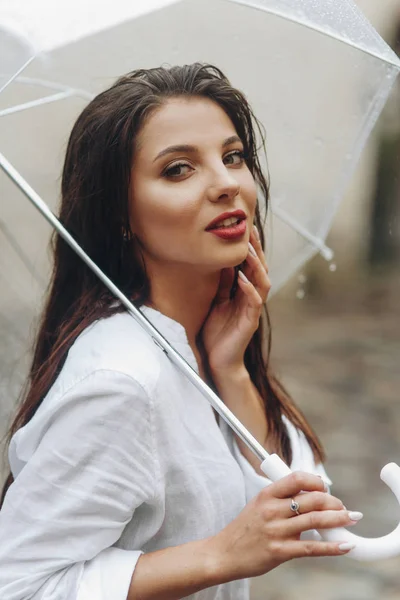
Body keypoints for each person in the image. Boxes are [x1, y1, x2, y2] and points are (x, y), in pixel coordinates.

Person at [0, 63, 362, 600]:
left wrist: (232, 370)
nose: (226, 184)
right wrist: (220, 554)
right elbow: (20, 586)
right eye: (178, 169)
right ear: (121, 214)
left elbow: (307, 512)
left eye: (232, 156)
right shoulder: (123, 383)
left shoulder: (200, 346)